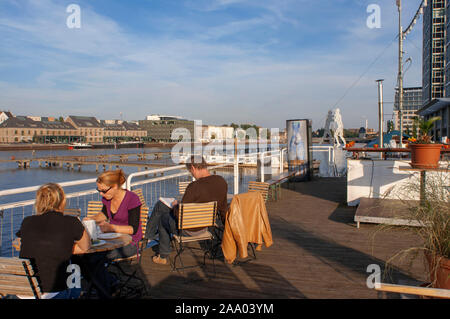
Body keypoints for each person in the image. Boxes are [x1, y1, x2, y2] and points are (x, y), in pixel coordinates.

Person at [147, 155, 228, 265]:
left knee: (163, 218)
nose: (192, 174)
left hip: (189, 230)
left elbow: (180, 214)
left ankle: (162, 254)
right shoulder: (221, 181)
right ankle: (149, 235)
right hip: (205, 227)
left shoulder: (194, 186)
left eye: (191, 171)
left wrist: (176, 206)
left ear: (193, 168)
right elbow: (223, 207)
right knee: (161, 205)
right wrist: (226, 227)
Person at [15, 183, 91, 299]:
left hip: (25, 291)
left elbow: (20, 242)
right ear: (62, 201)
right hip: (53, 293)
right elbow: (85, 247)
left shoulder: (27, 221)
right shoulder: (71, 222)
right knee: (75, 273)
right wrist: (61, 246)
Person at [81, 169, 143, 296]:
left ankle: (105, 286)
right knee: (81, 255)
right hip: (111, 240)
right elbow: (104, 214)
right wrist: (91, 219)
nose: (101, 194)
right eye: (99, 191)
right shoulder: (107, 199)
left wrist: (111, 228)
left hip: (130, 243)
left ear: (114, 186)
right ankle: (108, 283)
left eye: (103, 191)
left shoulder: (132, 199)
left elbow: (133, 229)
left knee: (93, 258)